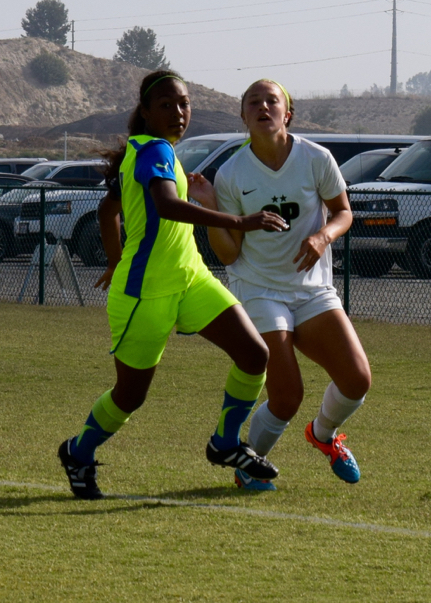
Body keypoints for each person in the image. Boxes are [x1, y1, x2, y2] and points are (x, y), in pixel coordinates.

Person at [57, 70, 289, 500]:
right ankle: (78, 451)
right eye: (166, 105)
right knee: (130, 397)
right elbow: (165, 204)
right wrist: (241, 220)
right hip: (145, 294)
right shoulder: (154, 150)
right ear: (145, 112)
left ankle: (225, 442)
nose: (178, 113)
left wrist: (115, 258)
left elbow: (110, 210)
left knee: (255, 353)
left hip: (190, 279)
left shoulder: (145, 151)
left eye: (183, 104)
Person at [189, 79, 372, 491]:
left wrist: (323, 236)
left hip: (311, 288)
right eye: (253, 101)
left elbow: (344, 213)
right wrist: (209, 204)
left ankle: (323, 435)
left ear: (287, 113)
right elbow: (230, 255)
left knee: (357, 380)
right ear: (243, 117)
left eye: (272, 100)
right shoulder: (232, 173)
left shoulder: (315, 157)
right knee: (287, 395)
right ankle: (248, 465)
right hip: (259, 290)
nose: (263, 106)